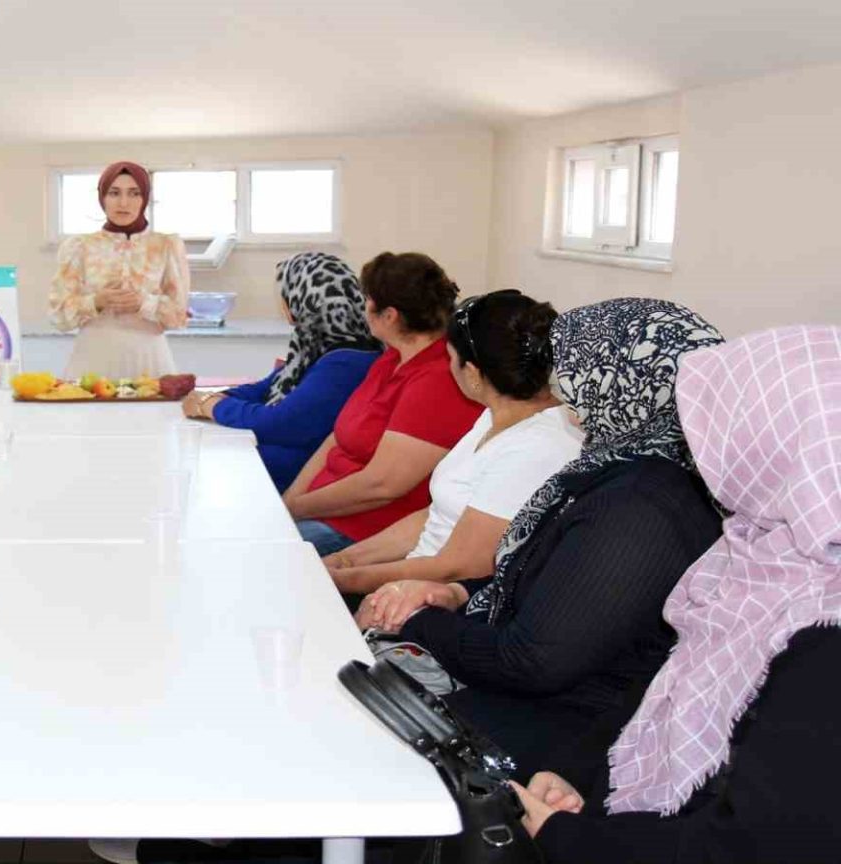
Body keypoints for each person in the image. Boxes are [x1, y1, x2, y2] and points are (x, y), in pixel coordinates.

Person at [512, 325, 841, 863]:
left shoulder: (824, 632)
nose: (697, 447)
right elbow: (666, 686)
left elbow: (759, 845)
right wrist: (576, 772)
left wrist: (566, 838)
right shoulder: (763, 551)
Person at [357, 298, 726, 776]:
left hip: (572, 730)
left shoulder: (643, 505)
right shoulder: (620, 468)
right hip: (538, 694)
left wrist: (418, 620)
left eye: (573, 372)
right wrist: (455, 593)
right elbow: (548, 584)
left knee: (359, 744)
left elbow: (532, 662)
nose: (559, 389)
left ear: (618, 381)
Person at [324, 290, 581, 599]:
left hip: (435, 600)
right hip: (411, 581)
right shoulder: (496, 414)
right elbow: (438, 516)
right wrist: (345, 560)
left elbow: (459, 567)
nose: (448, 367)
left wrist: (346, 580)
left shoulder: (540, 447)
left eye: (450, 358)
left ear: (472, 373)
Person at [282, 252, 482, 557]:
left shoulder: (439, 378)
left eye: (367, 300)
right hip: (322, 511)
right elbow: (336, 438)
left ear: (389, 316)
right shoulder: (391, 359)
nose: (362, 308)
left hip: (366, 531)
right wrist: (288, 501)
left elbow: (381, 486)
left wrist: (293, 509)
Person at [180, 252, 381, 492]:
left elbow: (281, 424)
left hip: (304, 473)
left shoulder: (346, 362)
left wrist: (212, 406)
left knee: (201, 459)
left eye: (285, 294)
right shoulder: (319, 346)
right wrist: (211, 398)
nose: (284, 303)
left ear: (303, 300)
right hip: (293, 459)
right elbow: (264, 389)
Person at [49, 161, 191, 379]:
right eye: (114, 193)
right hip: (92, 362)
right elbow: (58, 317)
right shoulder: (79, 247)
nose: (123, 203)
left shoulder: (166, 246)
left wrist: (144, 303)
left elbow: (179, 317)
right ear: (102, 197)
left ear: (145, 198)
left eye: (134, 193)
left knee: (152, 403)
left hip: (150, 361)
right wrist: (96, 301)